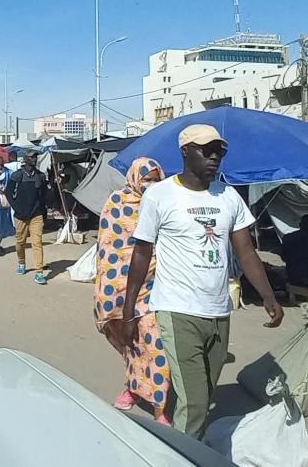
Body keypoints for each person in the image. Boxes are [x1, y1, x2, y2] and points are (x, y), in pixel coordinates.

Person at [121, 124, 283, 438]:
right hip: (177, 310)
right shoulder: (159, 195)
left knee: (204, 393)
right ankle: (180, 455)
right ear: (185, 152)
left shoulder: (228, 196)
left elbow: (246, 252)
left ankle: (187, 441)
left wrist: (268, 295)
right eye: (206, 150)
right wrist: (128, 311)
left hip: (219, 311)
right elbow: (141, 254)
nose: (214, 157)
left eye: (219, 151)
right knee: (195, 403)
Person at [93, 157, 171, 425]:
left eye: (156, 180)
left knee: (155, 345)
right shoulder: (116, 202)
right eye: (147, 179)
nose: (151, 185)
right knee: (131, 344)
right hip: (118, 287)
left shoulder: (164, 203)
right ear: (135, 178)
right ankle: (133, 387)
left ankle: (160, 408)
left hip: (154, 285)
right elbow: (107, 247)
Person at [4, 151, 52, 284]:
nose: (34, 159)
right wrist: (17, 208)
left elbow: (44, 195)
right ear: (25, 159)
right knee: (20, 242)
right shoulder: (17, 175)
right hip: (21, 215)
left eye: (35, 157)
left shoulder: (40, 176)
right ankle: (21, 262)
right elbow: (8, 192)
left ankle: (39, 272)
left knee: (37, 243)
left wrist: (43, 210)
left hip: (36, 215)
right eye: (31, 157)